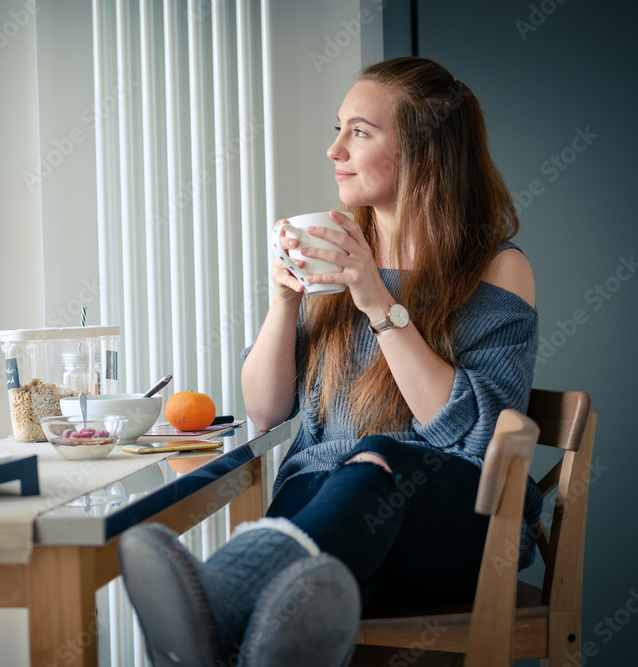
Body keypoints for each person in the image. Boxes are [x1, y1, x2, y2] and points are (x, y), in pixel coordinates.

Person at [118, 56, 541, 667]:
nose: (334, 149)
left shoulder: (498, 269)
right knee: (298, 612)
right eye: (337, 128)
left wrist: (377, 301)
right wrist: (284, 300)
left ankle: (212, 599)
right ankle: (230, 627)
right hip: (332, 515)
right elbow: (266, 410)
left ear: (425, 150)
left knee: (380, 459)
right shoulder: (336, 254)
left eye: (360, 132)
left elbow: (477, 436)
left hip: (457, 520)